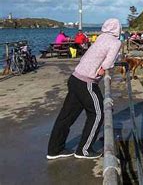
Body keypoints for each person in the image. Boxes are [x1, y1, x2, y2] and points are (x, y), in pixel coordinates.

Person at [46, 18, 122, 160]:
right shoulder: (115, 42)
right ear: (118, 29)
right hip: (86, 82)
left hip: (75, 78)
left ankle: (54, 150)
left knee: (66, 117)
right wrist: (104, 69)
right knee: (98, 114)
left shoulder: (101, 37)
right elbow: (108, 62)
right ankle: (84, 150)